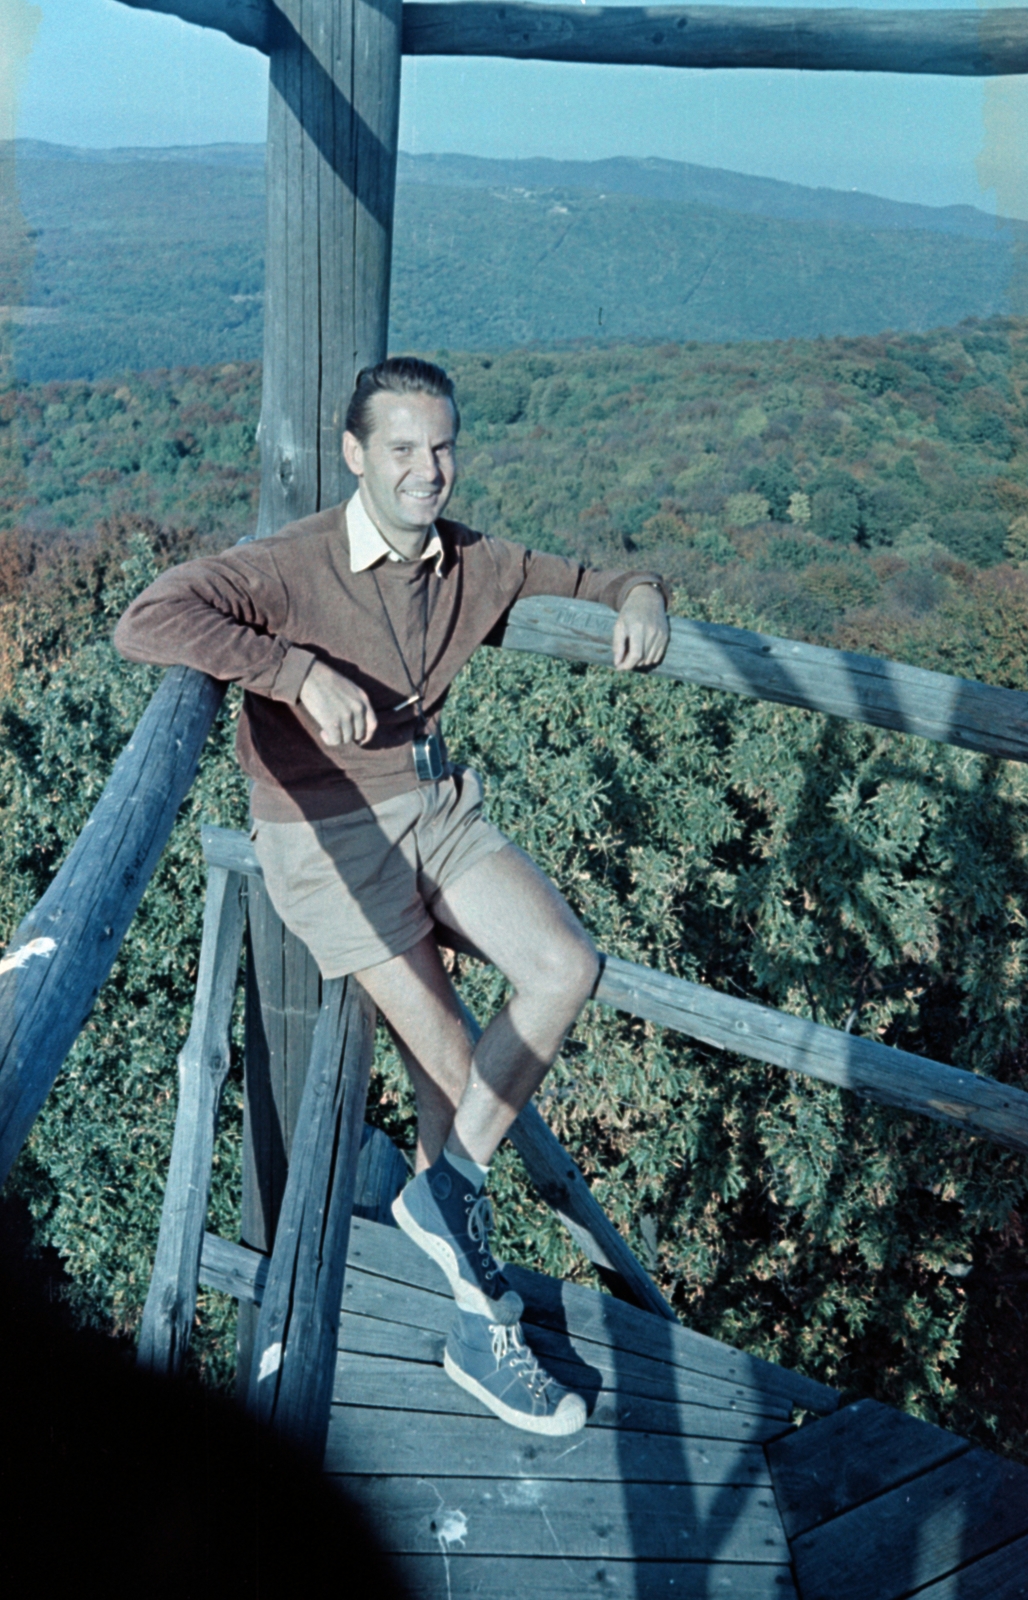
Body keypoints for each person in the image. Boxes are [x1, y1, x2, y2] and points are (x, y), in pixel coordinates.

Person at [114, 356, 670, 1438]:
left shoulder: (472, 561)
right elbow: (150, 617)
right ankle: (483, 1322)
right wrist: (291, 672)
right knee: (451, 1059)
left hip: (429, 808)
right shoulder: (291, 565)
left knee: (567, 968)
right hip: (322, 837)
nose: (430, 470)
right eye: (403, 449)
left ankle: (444, 1189)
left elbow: (599, 577)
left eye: (443, 446)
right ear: (355, 454)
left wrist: (641, 595)